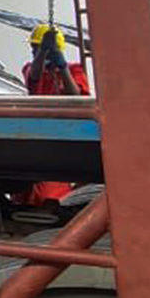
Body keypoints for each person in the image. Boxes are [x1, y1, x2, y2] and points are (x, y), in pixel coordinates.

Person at [19, 25, 90, 206]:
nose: (34, 52)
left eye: (36, 48)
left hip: (67, 134)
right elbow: (33, 78)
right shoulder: (31, 68)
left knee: (51, 193)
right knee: (31, 191)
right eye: (34, 49)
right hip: (41, 134)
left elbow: (76, 97)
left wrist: (61, 66)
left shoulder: (74, 70)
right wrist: (44, 52)